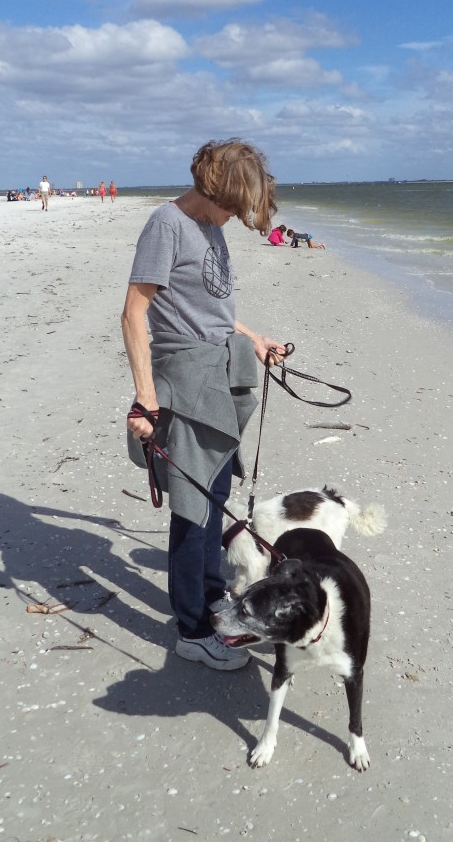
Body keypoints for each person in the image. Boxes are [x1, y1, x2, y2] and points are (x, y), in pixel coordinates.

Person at [122, 139, 288, 671]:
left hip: (218, 375)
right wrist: (146, 397)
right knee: (192, 511)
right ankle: (192, 631)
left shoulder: (211, 227)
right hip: (186, 382)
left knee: (215, 497)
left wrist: (255, 339)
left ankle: (213, 597)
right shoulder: (166, 225)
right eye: (233, 208)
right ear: (214, 189)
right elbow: (133, 312)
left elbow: (210, 308)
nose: (234, 218)